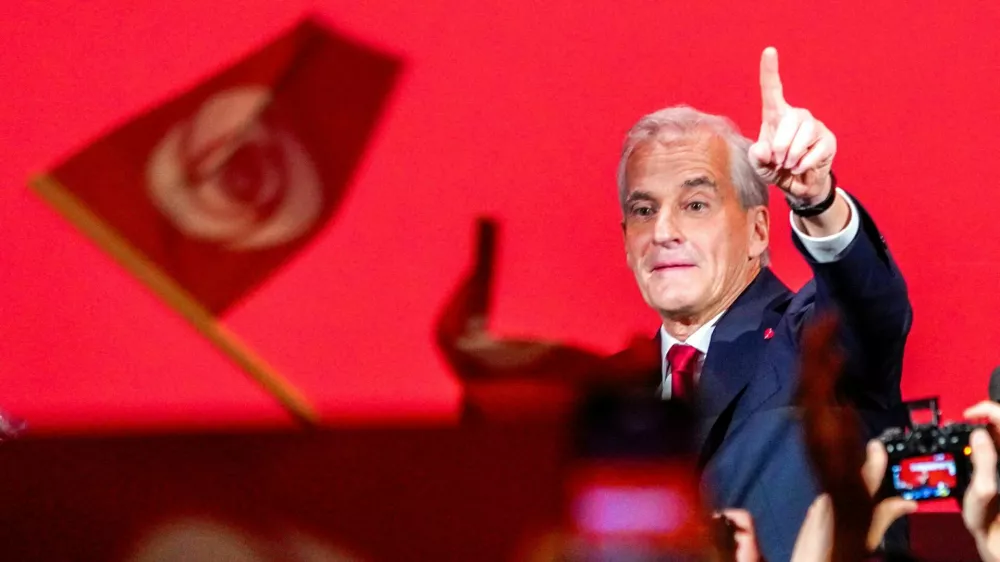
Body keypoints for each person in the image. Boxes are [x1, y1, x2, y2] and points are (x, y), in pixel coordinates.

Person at [617, 46, 911, 560]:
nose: (663, 231)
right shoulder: (612, 400)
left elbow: (871, 310)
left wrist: (816, 201)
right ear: (625, 240)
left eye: (695, 204)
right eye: (644, 209)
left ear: (757, 230)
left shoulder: (808, 343)